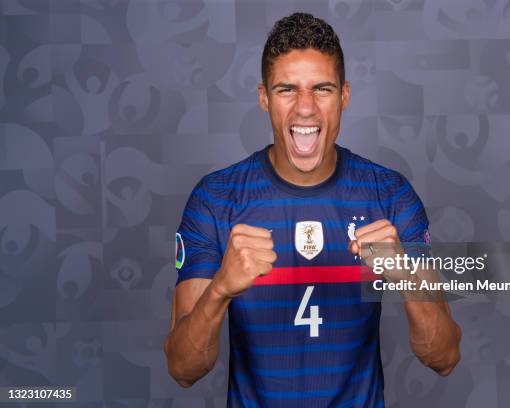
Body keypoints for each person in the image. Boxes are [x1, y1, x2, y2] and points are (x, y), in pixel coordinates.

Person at [164, 12, 461, 407]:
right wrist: (219, 289)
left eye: (321, 89)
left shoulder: (389, 196)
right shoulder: (216, 199)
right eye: (287, 89)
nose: (305, 108)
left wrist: (406, 276)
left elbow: (443, 357)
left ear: (344, 95)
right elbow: (184, 370)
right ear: (264, 97)